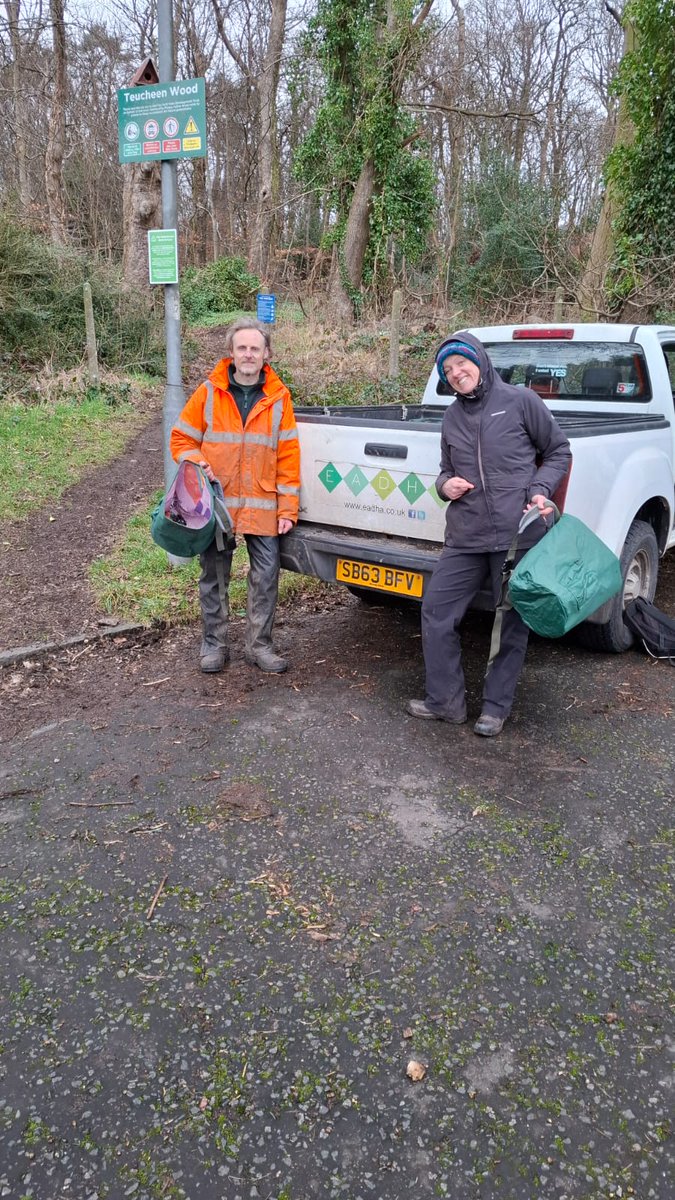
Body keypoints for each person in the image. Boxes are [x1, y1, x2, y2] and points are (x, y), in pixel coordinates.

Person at [406, 331, 572, 736]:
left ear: (479, 360)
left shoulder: (520, 401)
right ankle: (445, 702)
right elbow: (445, 471)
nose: (456, 373)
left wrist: (538, 490)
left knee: (510, 622)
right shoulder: (451, 416)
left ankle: (495, 708)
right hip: (465, 534)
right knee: (437, 612)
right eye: (447, 370)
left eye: (461, 363)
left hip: (517, 534)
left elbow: (558, 452)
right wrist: (444, 487)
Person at [170, 317, 300, 674]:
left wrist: (287, 507)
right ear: (231, 352)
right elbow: (181, 440)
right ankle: (213, 645)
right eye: (242, 347)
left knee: (266, 575)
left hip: (263, 502)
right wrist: (198, 462)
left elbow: (288, 455)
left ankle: (259, 647)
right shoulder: (208, 393)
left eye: (254, 348)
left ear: (266, 354)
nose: (248, 354)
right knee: (213, 575)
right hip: (218, 504)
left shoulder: (279, 398)